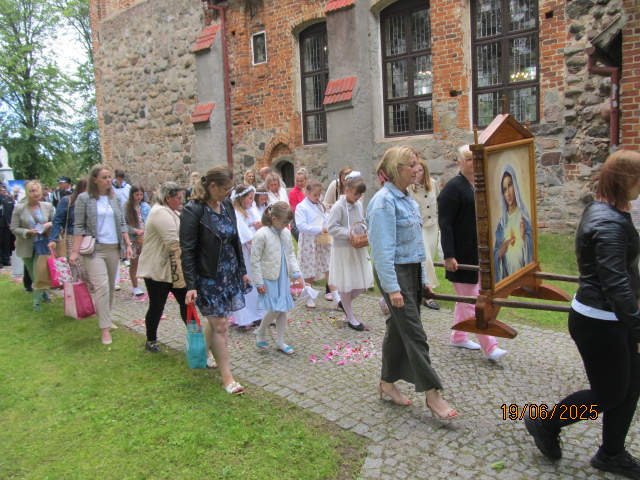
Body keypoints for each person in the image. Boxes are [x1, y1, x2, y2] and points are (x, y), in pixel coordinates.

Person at [524, 150, 640, 479]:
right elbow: (615, 283)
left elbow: (623, 274)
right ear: (627, 180)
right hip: (599, 322)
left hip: (615, 318)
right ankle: (546, 423)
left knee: (630, 387)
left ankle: (611, 454)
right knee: (608, 394)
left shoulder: (610, 210)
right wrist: (638, 326)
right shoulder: (608, 222)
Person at [367, 145, 458, 419]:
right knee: (415, 333)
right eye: (412, 165)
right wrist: (392, 288)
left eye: (417, 164)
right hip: (394, 273)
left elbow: (417, 244)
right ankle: (433, 394)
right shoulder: (383, 203)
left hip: (410, 272)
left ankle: (386, 382)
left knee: (398, 328)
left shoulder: (407, 198)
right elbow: (381, 252)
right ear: (397, 170)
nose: (417, 169)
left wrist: (423, 278)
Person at [180, 165, 250, 395]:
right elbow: (187, 250)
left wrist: (242, 270)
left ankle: (206, 353)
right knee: (221, 324)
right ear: (212, 186)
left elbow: (235, 240)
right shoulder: (193, 210)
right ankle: (227, 377)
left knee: (216, 321)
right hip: (207, 276)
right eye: (226, 188)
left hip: (228, 273)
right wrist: (191, 285)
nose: (229, 193)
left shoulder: (227, 205)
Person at [438, 145, 507, 360]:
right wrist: (449, 255)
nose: (473, 163)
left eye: (476, 158)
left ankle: (458, 336)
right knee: (472, 300)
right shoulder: (453, 188)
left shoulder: (479, 185)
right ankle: (490, 346)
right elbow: (445, 224)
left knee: (466, 297)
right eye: (468, 159)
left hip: (478, 252)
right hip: (460, 254)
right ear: (459, 162)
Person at [70, 165, 134, 345]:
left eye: (109, 177)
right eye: (104, 177)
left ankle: (107, 318)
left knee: (111, 287)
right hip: (94, 249)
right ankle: (104, 329)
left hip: (113, 247)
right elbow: (79, 226)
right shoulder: (84, 199)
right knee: (102, 287)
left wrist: (128, 244)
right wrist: (74, 252)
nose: (108, 180)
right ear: (94, 179)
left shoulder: (115, 198)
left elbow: (122, 223)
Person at [137, 182, 188, 353]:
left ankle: (195, 337)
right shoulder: (159, 212)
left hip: (174, 269)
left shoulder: (172, 212)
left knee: (186, 302)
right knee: (157, 305)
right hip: (157, 269)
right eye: (178, 198)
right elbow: (173, 242)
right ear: (168, 198)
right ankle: (151, 340)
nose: (181, 201)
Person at [251, 202, 304, 355]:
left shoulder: (285, 233)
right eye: (284, 222)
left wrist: (296, 273)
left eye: (288, 223)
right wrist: (259, 282)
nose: (286, 225)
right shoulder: (262, 234)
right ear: (274, 219)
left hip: (283, 276)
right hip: (269, 276)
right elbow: (255, 260)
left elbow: (290, 254)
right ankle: (260, 331)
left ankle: (280, 341)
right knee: (276, 308)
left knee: (283, 309)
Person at [327, 172, 373, 331]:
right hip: (343, 250)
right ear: (346, 189)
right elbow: (331, 228)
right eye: (355, 193)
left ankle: (344, 303)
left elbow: (360, 222)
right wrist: (349, 233)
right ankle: (350, 317)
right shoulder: (338, 207)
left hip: (357, 247)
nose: (358, 197)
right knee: (346, 284)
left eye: (360, 194)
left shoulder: (358, 205)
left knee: (363, 283)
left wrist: (364, 232)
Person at [296, 178, 341, 309]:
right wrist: (320, 229)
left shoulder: (320, 205)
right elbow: (301, 226)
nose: (317, 197)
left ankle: (336, 298)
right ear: (307, 192)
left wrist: (326, 226)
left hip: (322, 241)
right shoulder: (302, 207)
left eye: (319, 194)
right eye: (314, 195)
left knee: (328, 267)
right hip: (309, 242)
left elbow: (326, 219)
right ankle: (308, 297)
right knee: (309, 271)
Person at [10, 180, 55, 310]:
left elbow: (56, 222)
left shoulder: (47, 206)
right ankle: (43, 293)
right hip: (26, 245)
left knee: (38, 273)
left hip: (43, 244)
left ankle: (36, 302)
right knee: (32, 273)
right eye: (32, 191)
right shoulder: (19, 208)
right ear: (27, 192)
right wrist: (28, 231)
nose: (35, 193)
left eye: (37, 190)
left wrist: (48, 224)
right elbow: (14, 228)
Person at [409, 157, 441, 310]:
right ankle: (428, 294)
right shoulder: (410, 188)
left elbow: (439, 201)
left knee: (429, 259)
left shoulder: (432, 184)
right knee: (425, 259)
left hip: (432, 227)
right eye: (415, 170)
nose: (418, 173)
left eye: (421, 170)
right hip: (419, 227)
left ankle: (421, 288)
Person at [48, 179, 92, 288]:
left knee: (90, 269)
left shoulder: (93, 201)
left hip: (89, 238)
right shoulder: (68, 201)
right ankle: (80, 291)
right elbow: (57, 220)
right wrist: (53, 239)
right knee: (78, 268)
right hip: (72, 237)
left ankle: (89, 291)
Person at [493, 165, 533, 282]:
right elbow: (494, 255)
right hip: (507, 278)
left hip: (522, 276)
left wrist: (524, 238)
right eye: (504, 189)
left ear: (515, 185)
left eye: (510, 185)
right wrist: (500, 252)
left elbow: (533, 250)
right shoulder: (501, 225)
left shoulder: (523, 218)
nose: (508, 193)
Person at [232, 183, 263, 329]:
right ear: (241, 198)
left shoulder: (251, 209)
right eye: (249, 198)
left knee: (257, 281)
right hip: (246, 251)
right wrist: (253, 244)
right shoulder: (237, 213)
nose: (252, 200)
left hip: (255, 247)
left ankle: (259, 313)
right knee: (247, 282)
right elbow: (243, 234)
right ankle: (246, 317)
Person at [124, 185, 150, 296]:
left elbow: (150, 219)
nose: (139, 197)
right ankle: (135, 286)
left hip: (145, 237)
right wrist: (135, 230)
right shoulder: (127, 208)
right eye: (136, 195)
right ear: (132, 195)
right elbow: (124, 225)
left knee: (147, 261)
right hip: (133, 238)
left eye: (141, 194)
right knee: (134, 262)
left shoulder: (145, 206)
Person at [288, 168, 308, 242]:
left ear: (306, 180)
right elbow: (295, 210)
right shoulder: (293, 193)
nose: (299, 183)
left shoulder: (307, 190)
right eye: (297, 181)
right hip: (298, 222)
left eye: (301, 181)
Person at [0, 184, 14, 266]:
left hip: (6, 223)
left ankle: (6, 259)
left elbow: (11, 209)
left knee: (6, 242)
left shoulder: (6, 198)